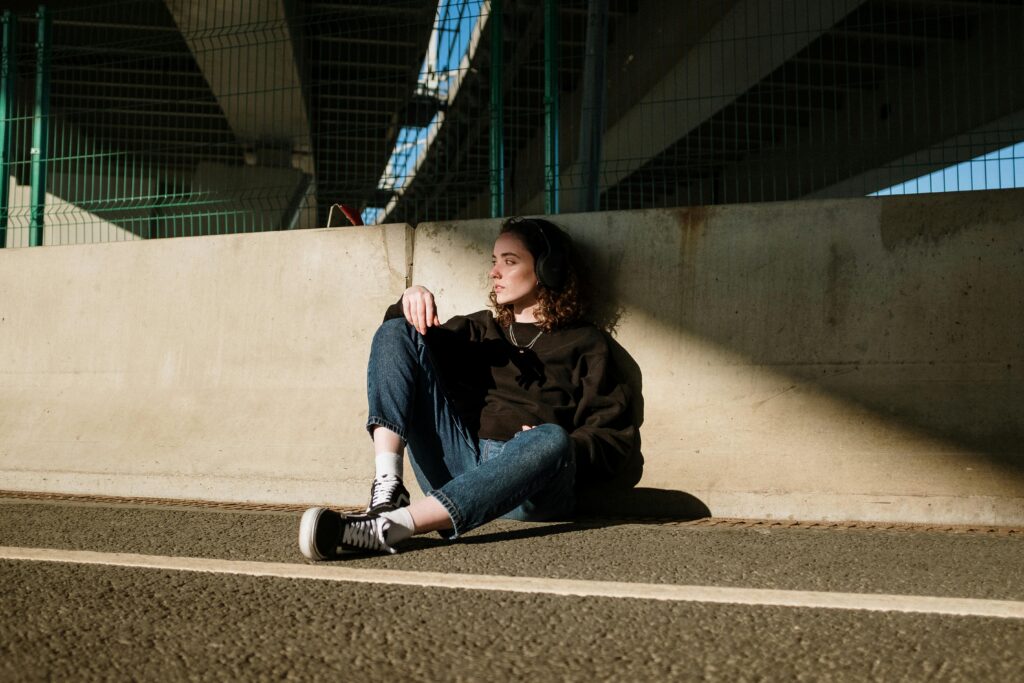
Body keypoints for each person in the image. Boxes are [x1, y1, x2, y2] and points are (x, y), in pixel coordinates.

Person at [299, 217, 641, 559]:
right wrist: (409, 298)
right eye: (494, 261)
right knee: (395, 329)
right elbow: (402, 350)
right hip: (461, 463)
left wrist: (553, 446)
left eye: (509, 261)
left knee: (551, 437)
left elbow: (612, 438)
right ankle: (388, 490)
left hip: (532, 485)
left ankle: (391, 527)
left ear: (546, 269)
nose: (495, 272)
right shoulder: (481, 328)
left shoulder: (586, 343)